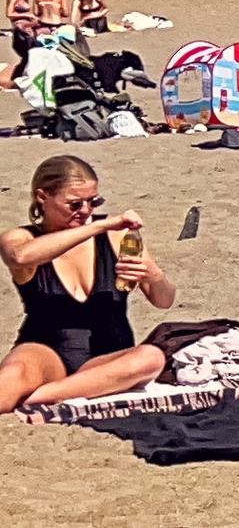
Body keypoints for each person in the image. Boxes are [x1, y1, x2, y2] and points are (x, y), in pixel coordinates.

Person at [0, 155, 176, 410]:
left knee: (151, 358)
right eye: (74, 204)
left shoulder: (118, 236)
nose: (85, 211)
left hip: (105, 358)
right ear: (42, 197)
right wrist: (99, 226)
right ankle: (62, 392)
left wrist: (153, 274)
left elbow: (164, 301)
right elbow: (21, 256)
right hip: (46, 353)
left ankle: (36, 398)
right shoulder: (21, 238)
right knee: (12, 375)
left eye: (93, 202)